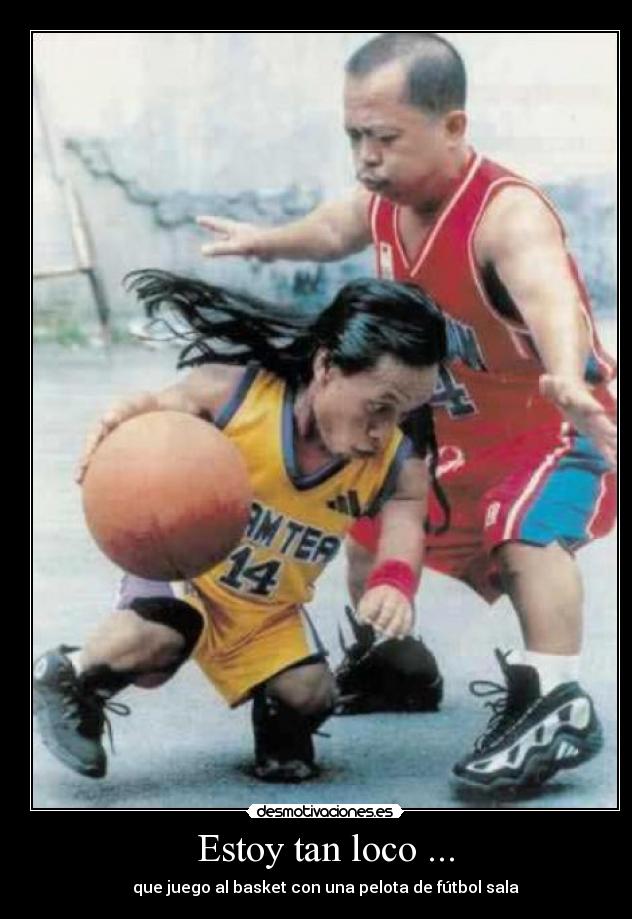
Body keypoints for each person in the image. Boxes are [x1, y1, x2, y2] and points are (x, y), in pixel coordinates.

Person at [196, 32, 617, 788]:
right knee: (369, 527)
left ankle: (554, 699)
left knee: (523, 531)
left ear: (452, 126)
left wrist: (563, 372)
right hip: (452, 430)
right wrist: (264, 242)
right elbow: (331, 229)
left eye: (383, 138)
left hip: (554, 424)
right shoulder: (387, 202)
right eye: (354, 136)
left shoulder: (504, 214)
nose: (365, 157)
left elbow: (551, 291)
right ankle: (398, 668)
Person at [33, 272, 447, 783]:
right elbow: (160, 411)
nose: (385, 429)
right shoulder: (235, 396)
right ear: (326, 366)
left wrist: (394, 582)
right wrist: (129, 414)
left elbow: (407, 513)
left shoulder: (394, 462)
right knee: (160, 642)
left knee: (311, 693)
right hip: (185, 577)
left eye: (404, 413)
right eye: (378, 407)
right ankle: (70, 673)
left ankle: (276, 728)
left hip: (264, 610)